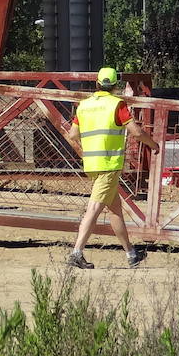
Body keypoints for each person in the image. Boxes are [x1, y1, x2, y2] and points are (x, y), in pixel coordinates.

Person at [65, 67, 159, 269]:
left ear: (97, 84)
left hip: (92, 164)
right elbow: (135, 132)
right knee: (94, 209)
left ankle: (131, 254)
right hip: (109, 165)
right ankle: (76, 252)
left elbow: (72, 135)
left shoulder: (84, 106)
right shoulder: (117, 104)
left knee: (115, 210)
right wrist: (153, 145)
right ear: (115, 85)